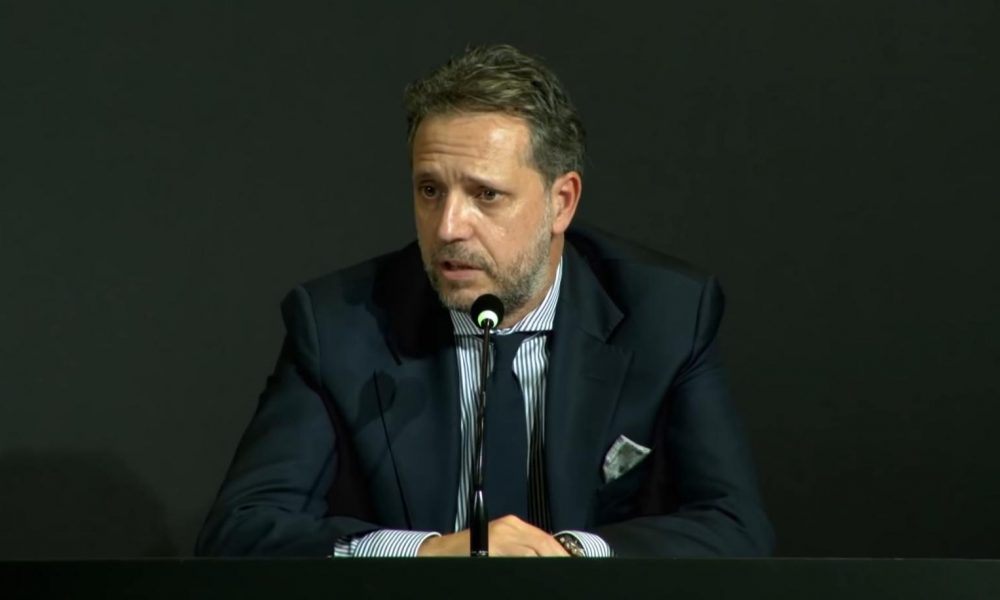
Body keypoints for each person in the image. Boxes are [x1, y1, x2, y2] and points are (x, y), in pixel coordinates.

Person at [195, 44, 774, 558]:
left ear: (561, 202)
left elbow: (734, 526)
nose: (448, 226)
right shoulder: (338, 325)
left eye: (486, 194)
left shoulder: (665, 315)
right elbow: (240, 531)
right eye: (430, 190)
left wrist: (569, 555)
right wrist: (426, 553)